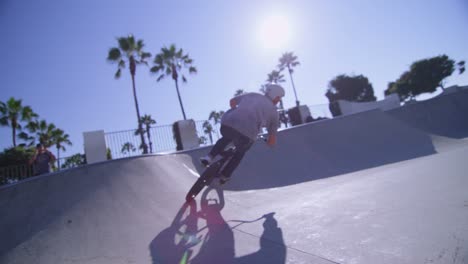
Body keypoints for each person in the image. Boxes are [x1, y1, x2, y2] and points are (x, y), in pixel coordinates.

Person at [200, 83, 285, 184]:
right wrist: (270, 143)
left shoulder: (253, 95)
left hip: (228, 124)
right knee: (240, 153)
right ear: (276, 97)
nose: (278, 101)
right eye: (279, 98)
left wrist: (237, 111)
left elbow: (232, 102)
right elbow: (272, 138)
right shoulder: (274, 112)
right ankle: (225, 175)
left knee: (226, 138)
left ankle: (209, 157)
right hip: (247, 136)